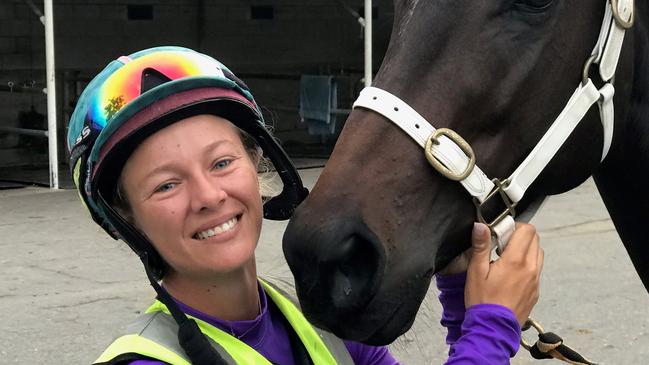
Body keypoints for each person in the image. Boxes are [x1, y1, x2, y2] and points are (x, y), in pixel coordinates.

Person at [67, 46, 543, 365]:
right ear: (124, 219)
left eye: (222, 162)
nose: (209, 196)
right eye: (166, 186)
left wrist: (461, 291)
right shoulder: (146, 360)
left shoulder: (320, 321)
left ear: (259, 166)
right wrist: (491, 329)